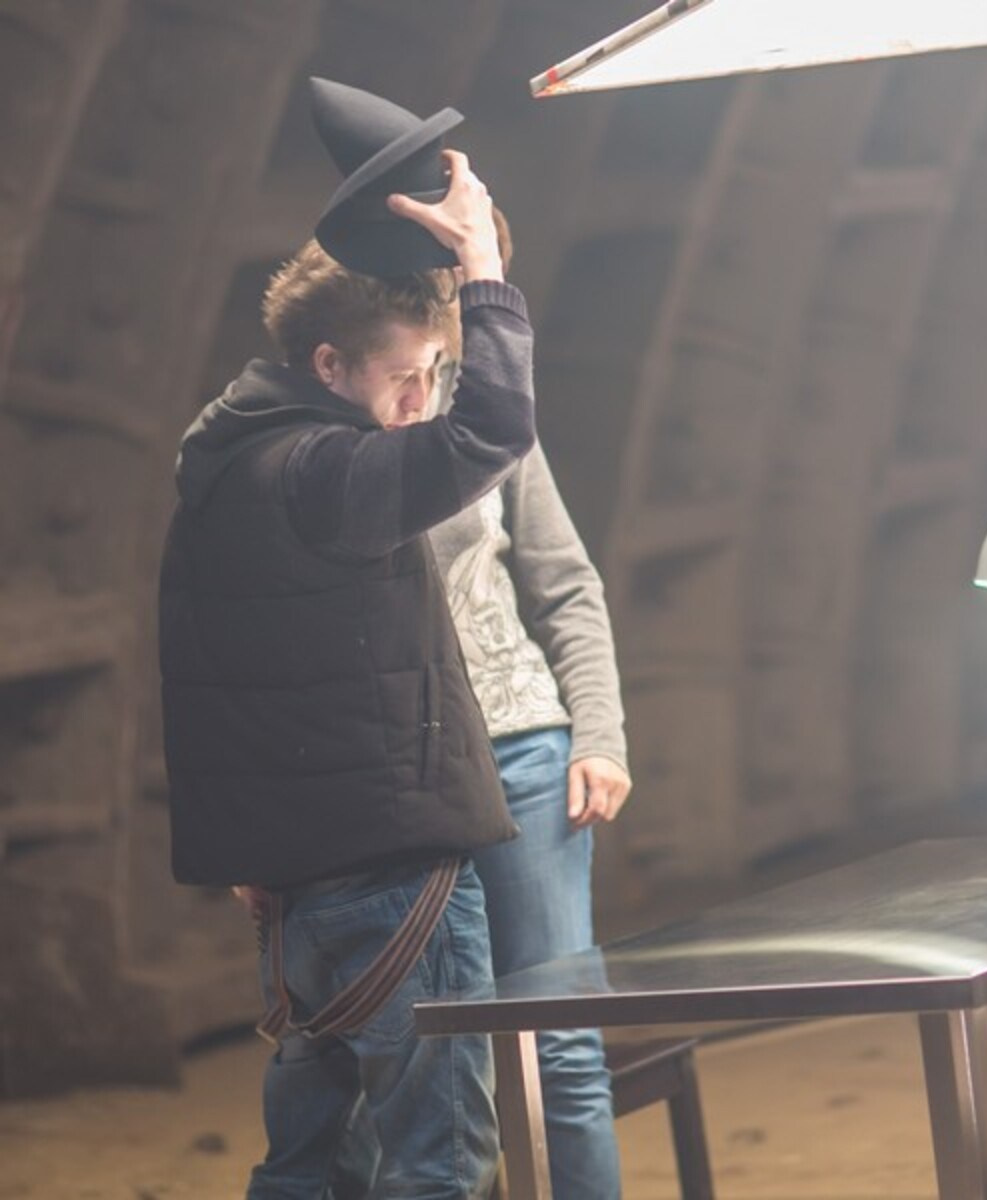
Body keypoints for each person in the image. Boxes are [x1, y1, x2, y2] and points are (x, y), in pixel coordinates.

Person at [159, 79, 530, 1198]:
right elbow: (494, 430)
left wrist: (256, 850)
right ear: (329, 366)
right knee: (439, 1168)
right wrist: (481, 267)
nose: (420, 401)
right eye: (404, 377)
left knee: (312, 1171)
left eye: (433, 375)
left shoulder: (225, 465)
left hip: (298, 895)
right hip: (393, 882)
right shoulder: (327, 470)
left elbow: (221, 682)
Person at [326, 205, 635, 1200]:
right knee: (401, 1058)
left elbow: (566, 583)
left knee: (563, 1043)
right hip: (398, 774)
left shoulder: (482, 406)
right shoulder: (329, 422)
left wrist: (599, 733)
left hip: (523, 751)